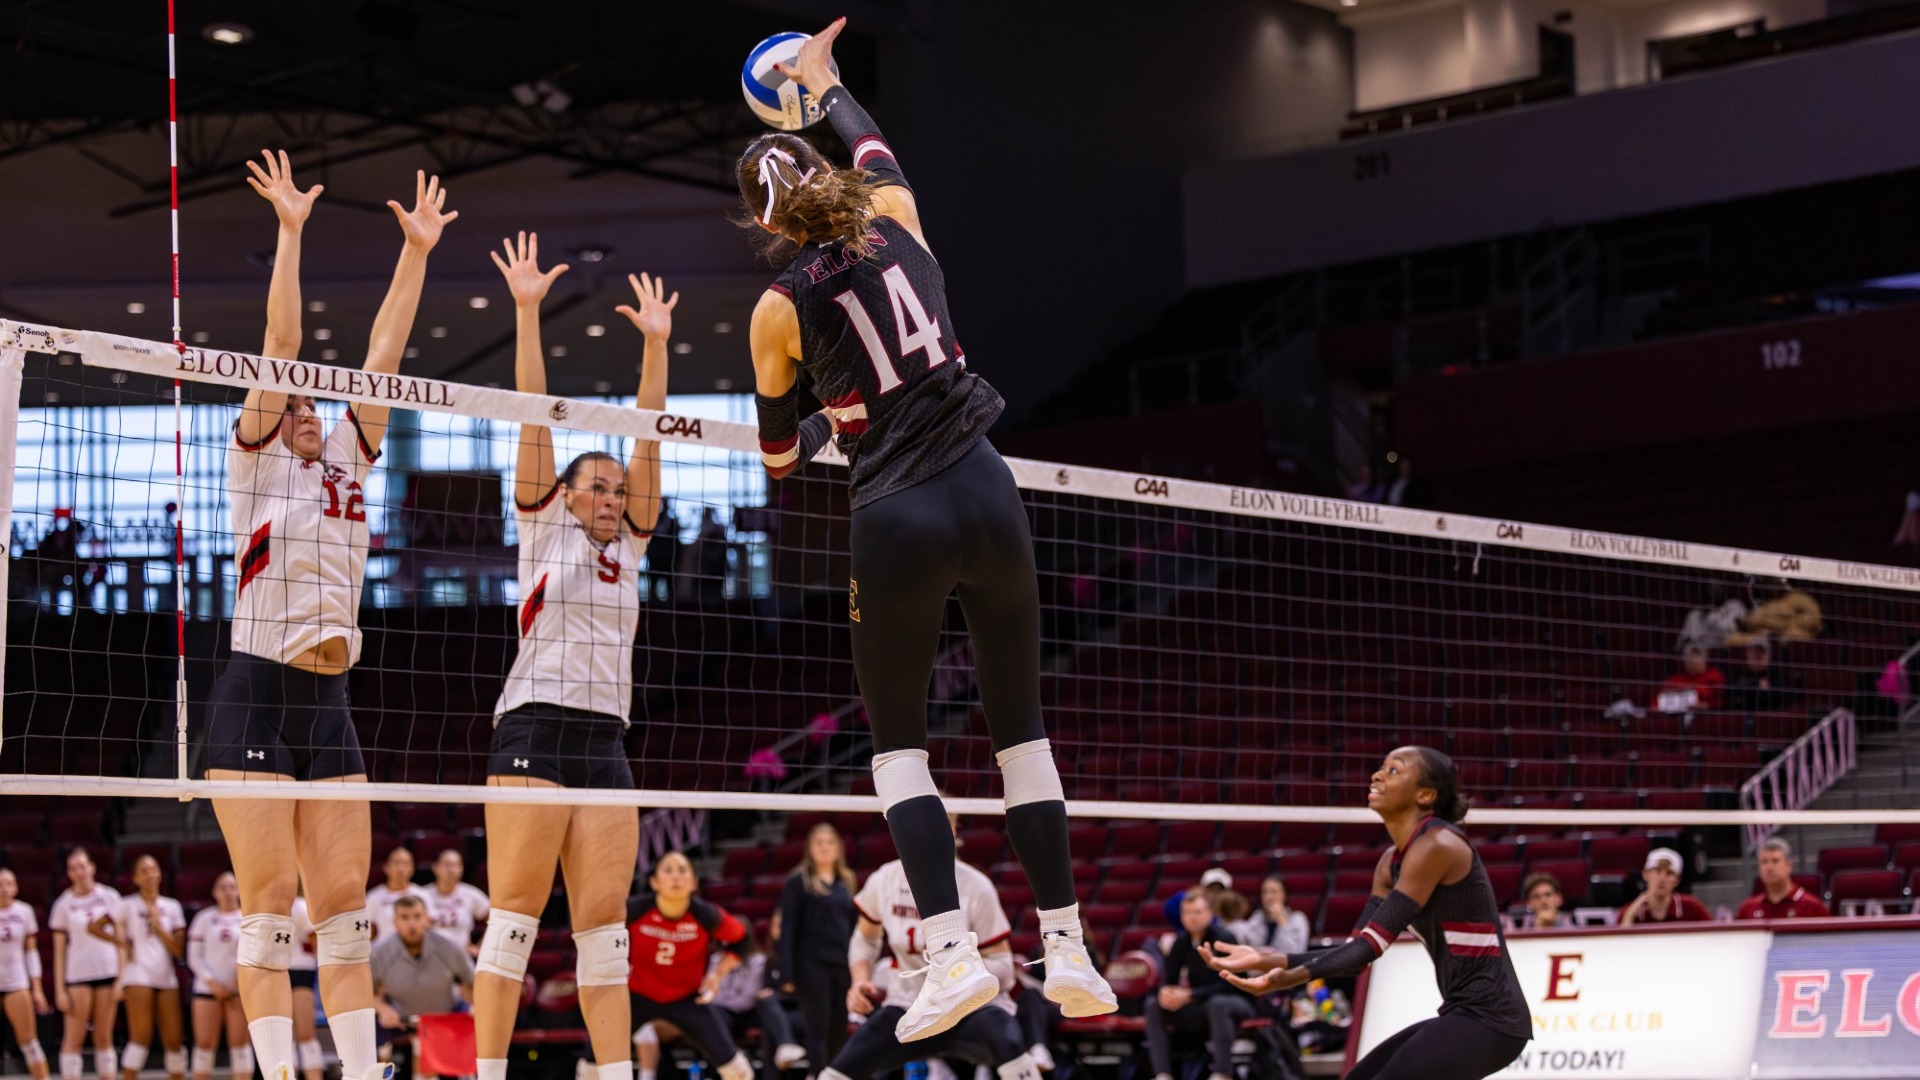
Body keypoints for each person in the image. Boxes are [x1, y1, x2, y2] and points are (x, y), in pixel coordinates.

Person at [738, 19, 1115, 1041]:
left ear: (761, 220)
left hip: (898, 510)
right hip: (986, 485)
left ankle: (950, 958)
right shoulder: (896, 216)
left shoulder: (776, 309)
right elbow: (871, 146)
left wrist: (837, 417)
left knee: (899, 751)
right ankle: (1070, 950)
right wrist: (824, 82)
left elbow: (779, 461)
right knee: (1021, 732)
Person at [206, 150, 455, 1080]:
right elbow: (279, 348)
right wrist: (290, 231)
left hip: (332, 701)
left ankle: (358, 1073)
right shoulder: (260, 458)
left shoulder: (351, 456)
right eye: (299, 401)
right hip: (257, 695)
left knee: (344, 911)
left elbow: (383, 355)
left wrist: (417, 253)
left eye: (317, 401)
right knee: (269, 911)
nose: (309, 407)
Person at [471, 233, 675, 1080]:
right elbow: (532, 408)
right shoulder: (543, 519)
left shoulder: (628, 545)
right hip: (532, 725)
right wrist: (525, 311)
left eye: (615, 490)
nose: (609, 496)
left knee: (605, 937)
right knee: (514, 922)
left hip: (606, 742)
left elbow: (649, 442)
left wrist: (656, 349)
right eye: (596, 485)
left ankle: (616, 1074)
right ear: (566, 492)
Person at [1207, 747, 1532, 1080]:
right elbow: (1356, 953)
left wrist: (1286, 971)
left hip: (1493, 1019)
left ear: (1425, 795)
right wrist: (1268, 961)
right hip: (1462, 1012)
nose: (1377, 775)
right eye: (1381, 767)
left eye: (1394, 770)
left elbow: (1368, 948)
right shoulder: (1389, 863)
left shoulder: (1437, 846)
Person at [829, 814, 1040, 1080]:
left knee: (1010, 1047)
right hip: (908, 1005)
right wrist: (859, 980)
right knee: (838, 1071)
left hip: (971, 1009)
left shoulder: (976, 886)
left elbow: (1004, 968)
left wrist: (956, 980)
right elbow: (866, 937)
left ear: (951, 834)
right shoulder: (884, 879)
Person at [626, 854, 752, 1080]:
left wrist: (717, 974)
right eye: (669, 870)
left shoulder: (706, 915)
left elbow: (742, 939)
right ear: (654, 881)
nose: (676, 876)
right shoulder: (634, 910)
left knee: (739, 1072)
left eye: (683, 870)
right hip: (636, 997)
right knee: (591, 1064)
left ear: (693, 882)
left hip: (687, 1000)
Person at [656, 927, 806, 1080]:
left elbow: (748, 998)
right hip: (725, 1012)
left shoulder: (757, 960)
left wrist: (724, 1001)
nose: (728, 942)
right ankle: (722, 1069)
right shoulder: (717, 958)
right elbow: (713, 992)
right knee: (712, 1016)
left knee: (767, 1012)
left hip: (751, 1013)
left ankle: (769, 1071)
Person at [1142, 893, 1250, 1080]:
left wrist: (1190, 995)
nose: (1191, 917)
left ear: (1210, 914)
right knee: (1154, 1005)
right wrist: (1167, 993)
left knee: (1219, 1003)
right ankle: (1163, 1074)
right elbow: (1169, 979)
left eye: (1197, 912)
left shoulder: (1224, 939)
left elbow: (1232, 984)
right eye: (1187, 912)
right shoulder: (1181, 941)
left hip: (1238, 1001)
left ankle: (1222, 1072)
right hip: (1202, 1002)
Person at [777, 824, 856, 1070]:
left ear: (838, 848)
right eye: (819, 843)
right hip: (811, 964)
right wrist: (787, 972)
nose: (824, 847)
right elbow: (788, 928)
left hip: (842, 964)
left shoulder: (847, 880)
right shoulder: (798, 881)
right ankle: (818, 1074)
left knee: (838, 1027)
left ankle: (832, 1074)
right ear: (810, 849)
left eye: (830, 842)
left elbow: (854, 928)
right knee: (818, 1027)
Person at [369, 897, 473, 1076]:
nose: (412, 923)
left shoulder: (449, 947)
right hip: (400, 1020)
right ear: (394, 922)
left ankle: (471, 1073)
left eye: (417, 916)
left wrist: (474, 1005)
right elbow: (367, 994)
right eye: (405, 917)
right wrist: (382, 1008)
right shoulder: (380, 952)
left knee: (474, 1019)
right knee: (370, 1024)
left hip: (445, 1018)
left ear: (427, 919)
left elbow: (471, 984)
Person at [50, 848, 121, 1080]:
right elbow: (59, 951)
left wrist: (122, 978)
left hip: (108, 973)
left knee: (103, 1036)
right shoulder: (63, 904)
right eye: (73, 868)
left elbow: (123, 942)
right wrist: (60, 990)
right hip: (77, 976)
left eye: (82, 866)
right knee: (74, 1037)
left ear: (92, 867)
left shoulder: (110, 896)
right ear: (68, 873)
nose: (78, 872)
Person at [113, 857, 188, 1080]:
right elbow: (96, 926)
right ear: (135, 878)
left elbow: (177, 950)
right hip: (137, 973)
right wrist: (121, 942)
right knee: (141, 1036)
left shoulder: (172, 906)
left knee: (174, 1039)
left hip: (165, 975)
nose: (149, 874)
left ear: (160, 874)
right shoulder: (126, 904)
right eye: (143, 870)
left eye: (153, 869)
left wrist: (158, 926)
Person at [187, 875, 251, 1080]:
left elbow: (252, 953)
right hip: (207, 989)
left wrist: (237, 981)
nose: (227, 891)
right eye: (222, 887)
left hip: (238, 989)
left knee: (239, 1043)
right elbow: (193, 956)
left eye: (232, 887)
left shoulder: (247, 917)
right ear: (214, 892)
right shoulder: (204, 918)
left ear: (239, 891)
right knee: (205, 1044)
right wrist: (212, 982)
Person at [0, 867, 51, 1080]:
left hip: (16, 983)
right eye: (0, 884)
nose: (3, 888)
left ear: (16, 887)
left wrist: (37, 989)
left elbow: (31, 952)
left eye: (8, 883)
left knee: (29, 1042)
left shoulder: (25, 912)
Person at [1736, 839, 1829, 920]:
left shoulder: (1812, 906)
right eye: (1764, 862)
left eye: (1775, 861)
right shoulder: (1747, 909)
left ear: (1789, 865)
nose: (1769, 867)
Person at [1617, 848, 1710, 925]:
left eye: (1669, 873)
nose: (1662, 879)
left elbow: (1714, 938)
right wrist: (1629, 917)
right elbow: (1617, 944)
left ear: (1677, 880)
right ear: (1645, 874)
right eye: (1657, 871)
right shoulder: (1629, 911)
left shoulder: (1692, 908)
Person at [423, 850, 489, 957]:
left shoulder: (471, 894)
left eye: (457, 865)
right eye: (447, 865)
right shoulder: (423, 895)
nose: (452, 870)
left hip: (460, 956)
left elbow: (495, 919)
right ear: (435, 867)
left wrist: (480, 947)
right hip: (429, 956)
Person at [288, 893, 324, 1080]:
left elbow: (315, 937)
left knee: (305, 1032)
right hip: (276, 969)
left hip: (299, 968)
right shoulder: (265, 902)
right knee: (285, 1036)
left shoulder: (299, 906)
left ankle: (314, 1075)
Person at [365, 848, 432, 942]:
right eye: (396, 863)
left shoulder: (423, 895)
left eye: (405, 863)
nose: (401, 868)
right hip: (385, 952)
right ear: (386, 867)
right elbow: (366, 930)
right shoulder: (374, 896)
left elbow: (430, 927)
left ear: (412, 868)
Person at [1231, 877, 1309, 955]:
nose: (1268, 897)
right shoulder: (1258, 916)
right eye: (1264, 892)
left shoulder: (1298, 919)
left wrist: (1281, 921)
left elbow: (1294, 953)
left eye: (1274, 892)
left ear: (1285, 895)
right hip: (1259, 965)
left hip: (1287, 966)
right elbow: (1246, 944)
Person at [1653, 645, 1723, 712]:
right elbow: (1657, 701)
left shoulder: (1714, 676)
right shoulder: (1674, 680)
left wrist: (1707, 706)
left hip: (1704, 716)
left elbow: (1718, 699)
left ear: (1704, 660)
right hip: (1674, 715)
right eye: (1689, 659)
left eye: (1696, 659)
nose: (1692, 663)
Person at [1726, 639, 1785, 714]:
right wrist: (1758, 687)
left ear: (1769, 656)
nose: (1757, 655)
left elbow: (1778, 700)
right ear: (1747, 654)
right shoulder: (1738, 674)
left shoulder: (1776, 675)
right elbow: (1731, 696)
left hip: (1767, 716)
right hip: (1739, 715)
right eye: (1754, 652)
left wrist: (1748, 690)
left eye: (1761, 652)